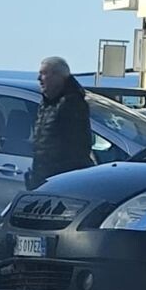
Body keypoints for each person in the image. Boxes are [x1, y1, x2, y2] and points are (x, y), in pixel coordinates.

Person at [28, 56, 94, 190]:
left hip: (60, 182)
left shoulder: (72, 104)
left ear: (59, 76)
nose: (39, 79)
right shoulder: (47, 103)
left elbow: (76, 149)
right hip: (43, 180)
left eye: (44, 73)